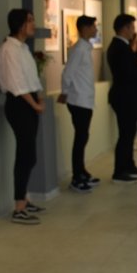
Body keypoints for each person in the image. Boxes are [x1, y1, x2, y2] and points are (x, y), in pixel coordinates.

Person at [0, 8, 46, 224]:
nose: (33, 24)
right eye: (30, 21)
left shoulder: (23, 48)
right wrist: (34, 104)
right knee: (25, 155)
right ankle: (19, 207)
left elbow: (31, 77)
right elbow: (16, 83)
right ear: (20, 24)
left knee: (29, 155)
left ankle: (24, 199)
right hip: (19, 104)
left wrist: (39, 98)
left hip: (29, 102)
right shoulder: (9, 49)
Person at [58, 14, 98, 193]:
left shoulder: (86, 48)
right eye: (93, 26)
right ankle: (76, 177)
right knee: (80, 138)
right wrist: (65, 92)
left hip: (85, 100)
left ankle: (82, 171)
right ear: (84, 28)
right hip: (78, 100)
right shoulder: (79, 49)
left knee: (83, 137)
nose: (96, 29)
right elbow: (67, 73)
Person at [107, 13, 137, 182]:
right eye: (132, 27)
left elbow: (131, 65)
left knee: (130, 132)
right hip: (124, 97)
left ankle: (128, 164)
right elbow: (128, 73)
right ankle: (120, 170)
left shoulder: (124, 47)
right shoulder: (119, 47)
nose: (134, 31)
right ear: (125, 28)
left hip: (128, 97)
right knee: (125, 133)